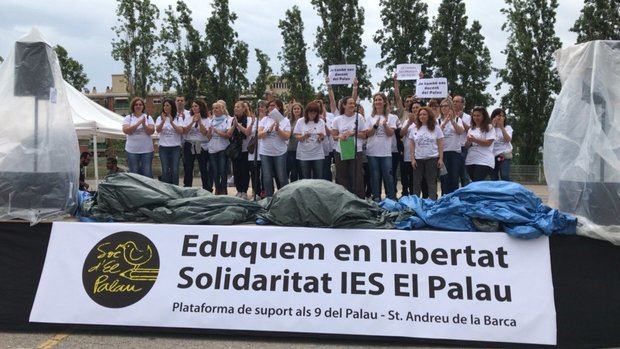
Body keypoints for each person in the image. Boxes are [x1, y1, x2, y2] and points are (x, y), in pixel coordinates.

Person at [332, 96, 368, 198]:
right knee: (342, 176)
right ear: (344, 105)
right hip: (341, 150)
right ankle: (345, 198)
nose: (352, 105)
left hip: (356, 150)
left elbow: (364, 134)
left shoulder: (359, 117)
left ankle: (359, 199)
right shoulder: (337, 119)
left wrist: (353, 133)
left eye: (353, 103)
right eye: (350, 103)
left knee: (357, 176)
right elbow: (334, 136)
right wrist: (340, 136)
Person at [365, 92, 397, 201]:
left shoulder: (391, 117)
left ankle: (391, 199)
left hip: (385, 152)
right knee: (375, 177)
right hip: (372, 152)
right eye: (376, 100)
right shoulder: (369, 117)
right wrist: (375, 125)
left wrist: (384, 125)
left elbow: (390, 134)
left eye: (380, 100)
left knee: (388, 177)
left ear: (384, 102)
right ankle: (377, 198)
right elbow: (367, 134)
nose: (377, 102)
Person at [408, 107, 444, 200]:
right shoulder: (414, 129)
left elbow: (440, 143)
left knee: (431, 183)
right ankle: (415, 203)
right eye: (420, 114)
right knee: (416, 183)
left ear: (429, 116)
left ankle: (432, 202)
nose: (422, 116)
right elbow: (411, 145)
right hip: (418, 159)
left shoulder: (436, 128)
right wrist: (412, 159)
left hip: (432, 159)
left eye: (424, 114)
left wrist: (440, 158)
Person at [258, 99, 291, 197]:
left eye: (273, 105)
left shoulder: (285, 120)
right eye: (269, 106)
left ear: (279, 107)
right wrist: (268, 130)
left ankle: (285, 198)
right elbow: (259, 135)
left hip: (279, 153)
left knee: (282, 177)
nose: (270, 107)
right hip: (265, 152)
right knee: (267, 177)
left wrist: (278, 130)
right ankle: (269, 199)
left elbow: (287, 136)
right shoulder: (264, 119)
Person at [122, 97, 155, 178]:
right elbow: (126, 131)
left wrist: (144, 125)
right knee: (134, 173)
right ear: (133, 106)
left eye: (140, 104)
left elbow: (151, 131)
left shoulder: (148, 117)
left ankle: (148, 190)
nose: (138, 106)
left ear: (143, 106)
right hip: (132, 150)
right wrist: (137, 124)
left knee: (147, 172)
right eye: (136, 104)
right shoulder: (128, 118)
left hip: (147, 150)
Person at [438, 97, 464, 195]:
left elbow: (461, 131)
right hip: (443, 154)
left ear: (450, 107)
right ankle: (444, 199)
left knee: (454, 178)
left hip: (455, 153)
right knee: (444, 178)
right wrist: (445, 122)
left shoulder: (457, 119)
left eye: (446, 106)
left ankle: (454, 199)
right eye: (442, 106)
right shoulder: (438, 121)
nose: (444, 108)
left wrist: (452, 121)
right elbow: (436, 133)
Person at [183, 100, 211, 191]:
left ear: (201, 107)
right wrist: (192, 122)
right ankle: (187, 188)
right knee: (188, 167)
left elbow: (205, 133)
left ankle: (206, 188)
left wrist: (199, 122)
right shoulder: (188, 117)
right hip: (189, 143)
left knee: (203, 167)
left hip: (201, 144)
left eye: (196, 106)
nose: (194, 108)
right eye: (193, 106)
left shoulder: (207, 119)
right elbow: (185, 131)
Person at [294, 101, 326, 179]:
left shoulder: (321, 122)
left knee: (319, 178)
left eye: (315, 112)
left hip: (317, 154)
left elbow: (322, 138)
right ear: (307, 112)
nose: (313, 114)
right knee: (305, 178)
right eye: (311, 112)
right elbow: (296, 136)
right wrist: (304, 137)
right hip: (304, 154)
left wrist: (320, 137)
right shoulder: (300, 121)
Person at [155, 99, 184, 185]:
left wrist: (171, 122)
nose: (165, 107)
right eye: (164, 105)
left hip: (175, 147)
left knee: (175, 170)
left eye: (167, 105)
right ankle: (166, 190)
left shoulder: (178, 117)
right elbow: (158, 130)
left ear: (172, 106)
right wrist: (163, 121)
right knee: (165, 170)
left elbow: (181, 131)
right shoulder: (159, 118)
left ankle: (175, 189)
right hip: (163, 147)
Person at [208, 101, 233, 195]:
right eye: (214, 108)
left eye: (217, 108)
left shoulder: (227, 120)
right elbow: (208, 137)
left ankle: (224, 189)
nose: (215, 110)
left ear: (222, 109)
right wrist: (209, 132)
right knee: (215, 171)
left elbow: (227, 135)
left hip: (223, 148)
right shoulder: (211, 120)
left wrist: (217, 131)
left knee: (223, 170)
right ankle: (217, 189)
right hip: (212, 149)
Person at [398, 100, 423, 197]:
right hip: (408, 155)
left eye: (417, 107)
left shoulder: (424, 121)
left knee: (419, 180)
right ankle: (408, 196)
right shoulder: (407, 121)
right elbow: (401, 134)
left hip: (421, 155)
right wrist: (409, 122)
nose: (415, 109)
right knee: (407, 179)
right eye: (413, 108)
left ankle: (420, 197)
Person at [231, 101, 255, 199]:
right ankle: (238, 190)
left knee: (244, 172)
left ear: (243, 109)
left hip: (245, 149)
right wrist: (234, 125)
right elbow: (230, 133)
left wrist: (238, 125)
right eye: (235, 107)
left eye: (238, 107)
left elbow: (247, 133)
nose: (236, 108)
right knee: (236, 171)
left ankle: (244, 191)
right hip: (236, 149)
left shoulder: (249, 119)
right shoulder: (233, 119)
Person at [465, 106, 495, 181]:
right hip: (471, 160)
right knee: (474, 182)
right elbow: (467, 146)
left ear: (483, 116)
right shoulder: (471, 129)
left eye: (478, 115)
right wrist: (469, 141)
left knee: (477, 181)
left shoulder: (489, 127)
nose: (476, 117)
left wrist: (475, 140)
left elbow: (488, 143)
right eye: (474, 115)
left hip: (484, 160)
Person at [490, 108, 513, 181]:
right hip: (492, 155)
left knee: (504, 175)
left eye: (503, 116)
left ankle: (507, 191)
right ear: (493, 117)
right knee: (493, 176)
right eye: (498, 115)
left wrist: (502, 127)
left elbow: (508, 139)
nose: (500, 118)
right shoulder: (489, 128)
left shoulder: (508, 127)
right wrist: (492, 126)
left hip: (504, 155)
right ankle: (495, 192)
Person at [454, 95, 471, 187]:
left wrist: (459, 119)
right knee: (454, 175)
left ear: (462, 104)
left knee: (464, 175)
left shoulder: (468, 117)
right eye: (454, 101)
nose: (455, 103)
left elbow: (470, 130)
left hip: (463, 148)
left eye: (457, 101)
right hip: (452, 148)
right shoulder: (448, 115)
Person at [286, 102, 303, 182]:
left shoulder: (305, 120)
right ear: (292, 111)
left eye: (298, 109)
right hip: (292, 149)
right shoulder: (289, 121)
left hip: (303, 149)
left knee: (302, 171)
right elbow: (287, 134)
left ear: (301, 110)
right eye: (294, 109)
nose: (296, 110)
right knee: (293, 172)